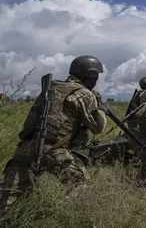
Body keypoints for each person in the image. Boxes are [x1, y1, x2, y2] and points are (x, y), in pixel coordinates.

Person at [0, 55, 107, 212]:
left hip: (26, 148)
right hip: (54, 151)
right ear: (90, 76)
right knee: (81, 187)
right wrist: (101, 110)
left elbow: (30, 122)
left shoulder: (50, 87)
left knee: (9, 198)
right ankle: (70, 219)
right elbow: (97, 128)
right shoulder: (84, 94)